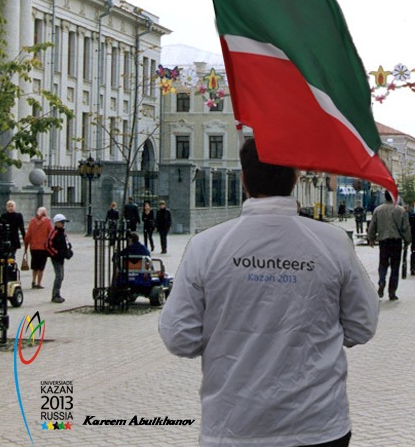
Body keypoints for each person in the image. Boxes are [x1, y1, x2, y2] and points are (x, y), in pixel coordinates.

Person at [160, 137, 379, 447]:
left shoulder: (206, 246)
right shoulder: (332, 243)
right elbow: (363, 325)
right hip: (318, 425)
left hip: (234, 427)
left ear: (243, 179)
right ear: (295, 178)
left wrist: (227, 340)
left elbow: (179, 336)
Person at [368, 190, 411, 300]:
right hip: (396, 242)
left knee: (383, 264)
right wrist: (407, 241)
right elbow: (405, 228)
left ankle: (382, 281)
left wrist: (371, 238)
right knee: (395, 267)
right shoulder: (401, 210)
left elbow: (372, 225)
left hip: (383, 241)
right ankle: (392, 292)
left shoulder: (378, 210)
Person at [46, 214, 73, 303]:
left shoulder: (63, 233)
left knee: (61, 276)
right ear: (56, 223)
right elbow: (48, 245)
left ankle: (57, 294)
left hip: (61, 257)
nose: (63, 224)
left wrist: (68, 251)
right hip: (56, 258)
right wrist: (55, 253)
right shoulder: (54, 232)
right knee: (59, 276)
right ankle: (55, 295)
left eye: (64, 222)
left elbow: (66, 243)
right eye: (62, 222)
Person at [24, 207, 53, 289]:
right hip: (43, 248)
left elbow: (27, 236)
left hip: (33, 248)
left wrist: (25, 248)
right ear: (44, 213)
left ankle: (33, 281)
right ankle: (39, 283)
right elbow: (51, 234)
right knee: (41, 267)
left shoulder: (32, 221)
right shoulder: (47, 222)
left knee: (35, 266)